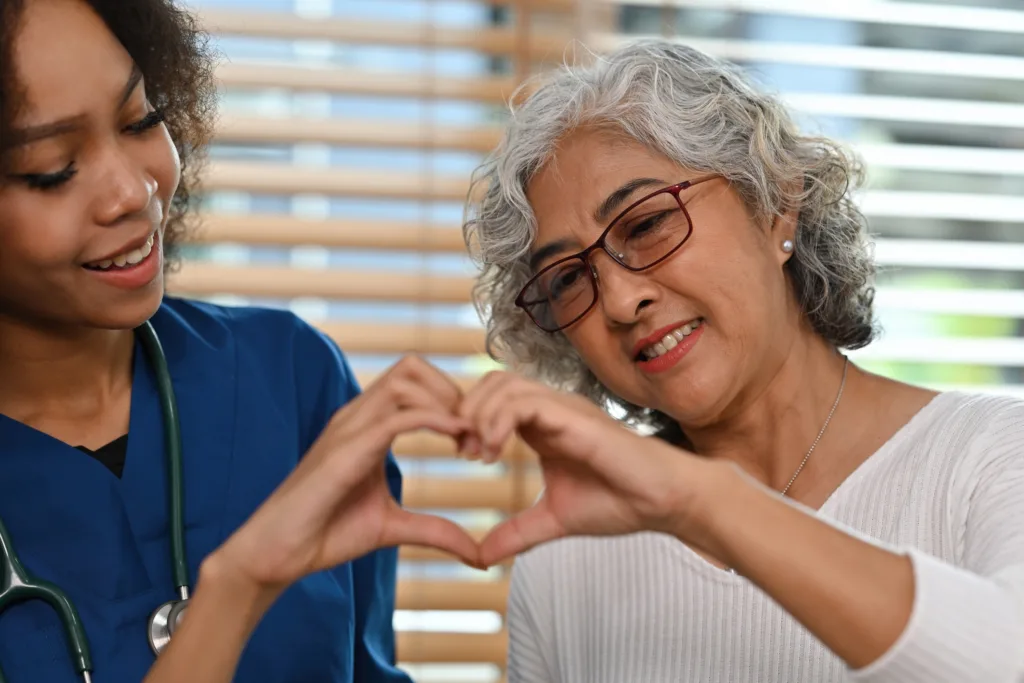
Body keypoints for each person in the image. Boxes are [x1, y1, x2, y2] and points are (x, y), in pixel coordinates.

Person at [460, 40, 1024, 683]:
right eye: (567, 280)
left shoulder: (993, 460)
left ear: (776, 203)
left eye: (645, 225)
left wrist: (707, 503)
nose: (618, 299)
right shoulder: (567, 561)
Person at [0, 1, 481, 682]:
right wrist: (237, 585)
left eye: (141, 119)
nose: (132, 193)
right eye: (52, 167)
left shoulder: (292, 377)